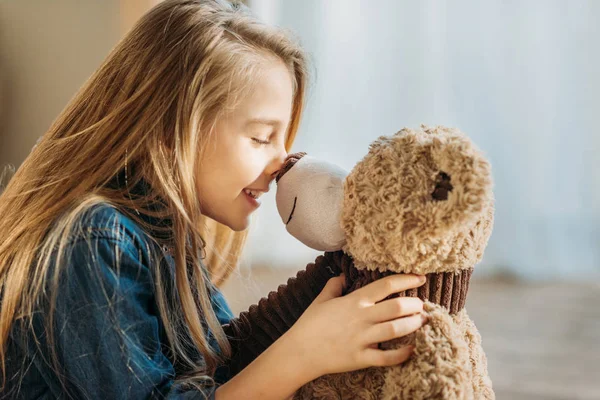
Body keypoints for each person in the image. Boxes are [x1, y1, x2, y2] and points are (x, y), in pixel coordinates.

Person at [0, 1, 427, 399]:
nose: (282, 162)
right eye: (262, 137)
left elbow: (225, 366)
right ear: (170, 130)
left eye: (285, 139)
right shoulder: (96, 240)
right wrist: (304, 352)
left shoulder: (166, 233)